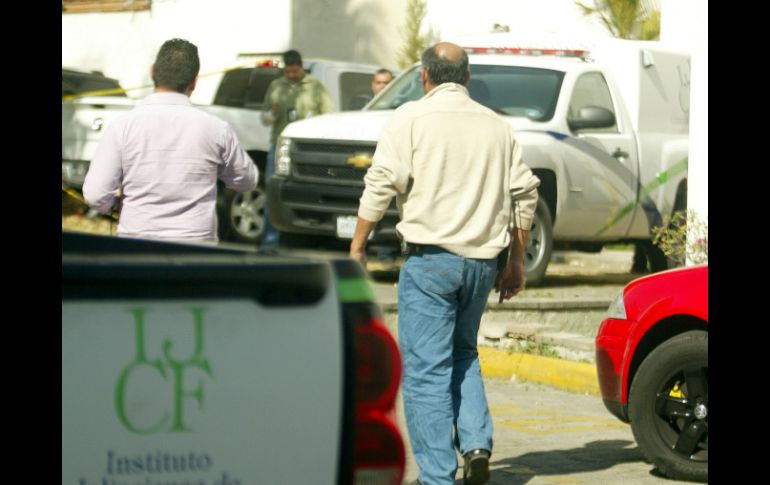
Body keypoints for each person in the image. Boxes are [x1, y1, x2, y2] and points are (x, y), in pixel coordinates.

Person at [349, 42, 540, 485]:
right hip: (481, 264)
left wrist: (358, 245)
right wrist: (516, 261)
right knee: (464, 353)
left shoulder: (410, 118)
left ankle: (437, 476)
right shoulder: (496, 126)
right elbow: (525, 192)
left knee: (425, 370)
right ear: (468, 77)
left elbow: (381, 182)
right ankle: (475, 444)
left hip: (431, 263)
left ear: (423, 77)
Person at [82, 38, 258, 243]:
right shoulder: (217, 129)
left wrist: (114, 204)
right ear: (194, 81)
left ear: (152, 72)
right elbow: (247, 180)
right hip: (195, 249)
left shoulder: (121, 127)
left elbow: (95, 195)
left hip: (136, 246)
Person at [260, 49, 334, 247]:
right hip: (279, 147)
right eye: (288, 72)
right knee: (274, 194)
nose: (292, 75)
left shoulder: (315, 86)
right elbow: (264, 118)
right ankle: (269, 243)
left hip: (307, 148)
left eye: (295, 71)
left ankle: (305, 242)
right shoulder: (276, 86)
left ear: (302, 67)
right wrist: (272, 114)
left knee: (307, 194)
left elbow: (329, 116)